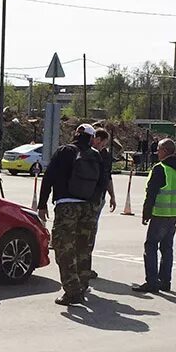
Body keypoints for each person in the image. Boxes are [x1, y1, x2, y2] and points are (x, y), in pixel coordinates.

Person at [37, 123, 107, 307]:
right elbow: (103, 182)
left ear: (76, 134)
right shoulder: (95, 155)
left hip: (66, 205)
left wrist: (42, 204)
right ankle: (82, 285)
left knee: (63, 248)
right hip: (88, 207)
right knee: (84, 247)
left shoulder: (64, 151)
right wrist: (93, 203)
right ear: (92, 138)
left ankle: (72, 291)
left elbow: (49, 177)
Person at [132, 138, 176, 294]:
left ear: (165, 151)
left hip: (161, 213)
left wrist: (146, 213)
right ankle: (165, 281)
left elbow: (151, 193)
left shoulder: (161, 168)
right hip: (175, 214)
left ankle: (151, 282)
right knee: (167, 247)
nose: (156, 152)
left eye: (158, 149)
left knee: (150, 246)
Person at [86, 128, 119, 279]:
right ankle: (83, 267)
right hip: (90, 198)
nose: (104, 146)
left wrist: (112, 195)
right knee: (86, 233)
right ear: (97, 139)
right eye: (104, 143)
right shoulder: (92, 153)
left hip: (95, 198)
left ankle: (85, 266)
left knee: (89, 233)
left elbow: (107, 177)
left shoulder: (101, 155)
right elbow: (106, 177)